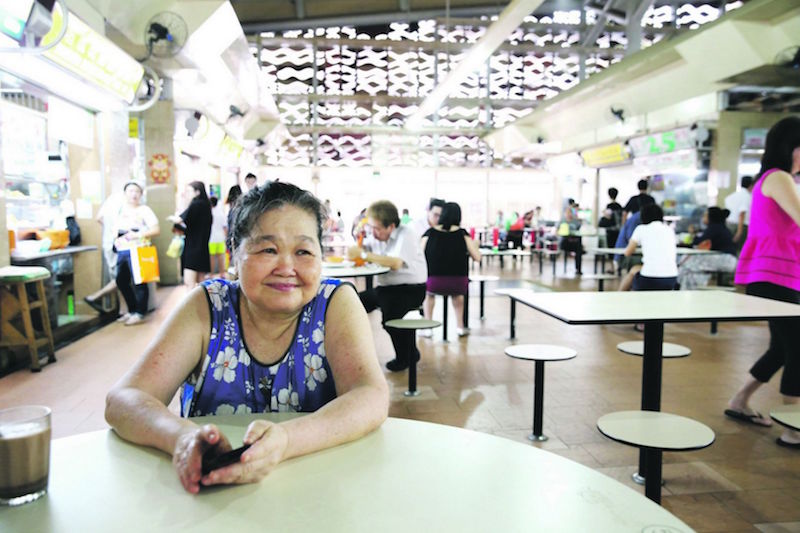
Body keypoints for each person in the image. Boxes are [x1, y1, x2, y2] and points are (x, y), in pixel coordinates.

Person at [105, 181, 389, 494]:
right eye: (268, 249)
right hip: (213, 497)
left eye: (304, 251)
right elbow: (124, 400)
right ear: (234, 256)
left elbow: (370, 396)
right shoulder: (207, 306)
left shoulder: (335, 303)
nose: (286, 267)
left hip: (318, 491)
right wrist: (181, 437)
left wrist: (286, 440)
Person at [726, 116, 800, 448]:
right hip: (777, 277)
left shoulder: (777, 179)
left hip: (777, 276)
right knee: (797, 347)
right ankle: (794, 428)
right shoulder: (779, 178)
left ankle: (739, 401)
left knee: (783, 347)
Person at [348, 200, 428, 372]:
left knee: (390, 318)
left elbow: (395, 263)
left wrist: (363, 254)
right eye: (371, 227)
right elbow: (359, 252)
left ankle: (407, 356)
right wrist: (359, 238)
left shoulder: (406, 234)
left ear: (391, 226)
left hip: (410, 288)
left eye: (376, 228)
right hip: (387, 288)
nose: (373, 233)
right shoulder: (377, 235)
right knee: (354, 303)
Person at [420, 202, 481, 338]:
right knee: (458, 297)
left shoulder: (429, 233)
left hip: (433, 282)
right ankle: (460, 327)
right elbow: (477, 257)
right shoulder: (463, 234)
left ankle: (428, 327)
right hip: (458, 283)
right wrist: (475, 244)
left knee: (429, 295)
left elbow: (418, 254)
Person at [111, 182, 160, 326]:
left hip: (138, 249)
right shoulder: (120, 210)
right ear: (125, 193)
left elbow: (156, 230)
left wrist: (137, 234)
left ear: (141, 194)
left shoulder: (145, 210)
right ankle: (132, 310)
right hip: (122, 250)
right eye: (131, 191)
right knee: (121, 280)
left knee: (139, 281)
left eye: (137, 191)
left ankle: (140, 312)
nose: (134, 194)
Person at [677, 206, 737, 290]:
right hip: (726, 259)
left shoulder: (714, 228)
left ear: (711, 217)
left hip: (725, 260)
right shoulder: (719, 228)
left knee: (688, 263)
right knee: (689, 266)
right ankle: (689, 288)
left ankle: (684, 288)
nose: (703, 218)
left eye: (705, 215)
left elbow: (697, 242)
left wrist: (692, 233)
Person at [84, 190, 124, 314]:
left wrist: (109, 229)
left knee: (119, 277)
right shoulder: (125, 202)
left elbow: (99, 218)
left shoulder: (111, 198)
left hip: (108, 243)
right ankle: (95, 297)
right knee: (122, 278)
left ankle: (122, 309)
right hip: (118, 244)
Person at [622, 203, 677, 292]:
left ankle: (618, 297)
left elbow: (627, 252)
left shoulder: (641, 228)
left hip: (649, 279)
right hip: (671, 278)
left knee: (634, 269)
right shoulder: (669, 229)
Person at [168, 181, 213, 287]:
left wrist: (172, 218)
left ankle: (193, 303)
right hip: (203, 247)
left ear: (197, 192)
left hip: (193, 248)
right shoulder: (206, 205)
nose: (187, 193)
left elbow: (181, 220)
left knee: (189, 282)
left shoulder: (196, 204)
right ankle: (204, 303)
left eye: (189, 191)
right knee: (201, 282)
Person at [724, 175, 754, 253]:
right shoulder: (747, 197)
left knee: (730, 249)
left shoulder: (731, 196)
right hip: (741, 227)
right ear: (751, 185)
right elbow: (742, 214)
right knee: (741, 250)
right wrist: (739, 232)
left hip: (729, 225)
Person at [208, 196, 226, 278]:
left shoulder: (209, 213)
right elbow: (225, 227)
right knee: (221, 256)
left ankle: (212, 274)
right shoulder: (221, 213)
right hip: (221, 238)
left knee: (212, 257)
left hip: (211, 238)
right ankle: (222, 273)